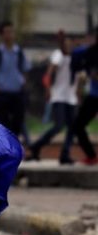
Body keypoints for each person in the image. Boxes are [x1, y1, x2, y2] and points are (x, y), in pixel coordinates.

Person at [27, 31, 79, 164]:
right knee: (59, 126)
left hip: (71, 98)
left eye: (70, 43)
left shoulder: (76, 57)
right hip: (59, 96)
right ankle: (36, 146)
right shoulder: (58, 55)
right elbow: (49, 74)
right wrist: (48, 89)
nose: (68, 46)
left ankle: (65, 154)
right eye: (65, 43)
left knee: (72, 128)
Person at [0, 21, 31, 145]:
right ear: (1, 35)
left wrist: (23, 84)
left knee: (18, 122)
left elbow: (25, 70)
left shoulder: (20, 52)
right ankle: (6, 147)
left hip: (17, 92)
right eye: (6, 32)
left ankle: (14, 146)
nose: (9, 35)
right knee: (4, 123)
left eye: (11, 32)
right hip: (3, 92)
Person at [69, 31, 98, 165]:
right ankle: (91, 156)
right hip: (93, 97)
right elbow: (81, 71)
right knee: (78, 125)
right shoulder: (90, 52)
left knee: (78, 125)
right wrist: (79, 90)